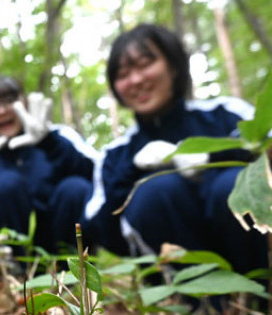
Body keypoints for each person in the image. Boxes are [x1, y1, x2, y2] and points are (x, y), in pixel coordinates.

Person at [83, 23, 266, 276]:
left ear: (174, 65)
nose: (136, 80)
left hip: (254, 258)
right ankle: (199, 303)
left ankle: (258, 293)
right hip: (171, 283)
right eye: (123, 74)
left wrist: (212, 156)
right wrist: (132, 171)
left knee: (231, 184)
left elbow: (265, 144)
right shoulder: (115, 156)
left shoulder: (226, 114)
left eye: (145, 64)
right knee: (155, 192)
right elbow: (98, 227)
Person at [0, 76, 99, 253]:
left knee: (74, 188)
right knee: (5, 184)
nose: (1, 111)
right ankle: (14, 270)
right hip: (15, 251)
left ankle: (78, 269)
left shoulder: (59, 136)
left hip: (62, 238)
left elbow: (96, 176)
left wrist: (50, 143)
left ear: (25, 103)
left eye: (9, 101)